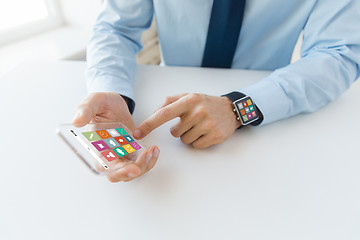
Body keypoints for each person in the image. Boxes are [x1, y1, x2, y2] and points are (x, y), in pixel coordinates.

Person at [73, 0, 360, 182]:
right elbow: (117, 27)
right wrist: (112, 90)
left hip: (269, 128)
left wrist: (238, 108)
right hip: (165, 111)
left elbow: (338, 54)